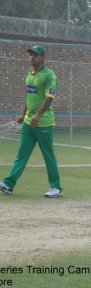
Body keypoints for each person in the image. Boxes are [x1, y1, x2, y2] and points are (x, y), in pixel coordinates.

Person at [0, 45, 63, 198]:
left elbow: (50, 97)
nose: (32, 57)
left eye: (35, 55)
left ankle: (56, 188)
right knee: (22, 155)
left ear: (43, 58)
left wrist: (38, 115)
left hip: (44, 123)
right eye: (31, 54)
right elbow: (29, 98)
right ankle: (9, 183)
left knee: (48, 155)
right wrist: (24, 115)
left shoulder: (49, 75)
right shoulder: (29, 74)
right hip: (29, 122)